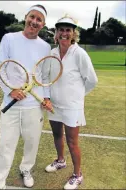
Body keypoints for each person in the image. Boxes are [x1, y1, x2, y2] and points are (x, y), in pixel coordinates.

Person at [0, 4, 52, 189]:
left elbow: (45, 76)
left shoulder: (45, 46)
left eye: (39, 19)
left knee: (32, 143)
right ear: (26, 17)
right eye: (32, 17)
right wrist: (10, 91)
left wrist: (46, 97)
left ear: (43, 24)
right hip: (11, 103)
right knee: (6, 145)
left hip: (34, 107)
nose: (34, 22)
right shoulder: (9, 38)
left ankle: (26, 169)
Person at [44, 15, 98, 190]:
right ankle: (60, 161)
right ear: (56, 33)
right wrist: (47, 98)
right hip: (54, 105)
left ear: (73, 33)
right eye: (61, 29)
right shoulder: (51, 53)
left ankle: (77, 175)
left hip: (72, 107)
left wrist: (77, 98)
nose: (64, 33)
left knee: (72, 142)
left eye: (68, 30)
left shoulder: (79, 53)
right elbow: (45, 78)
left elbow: (92, 80)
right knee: (57, 135)